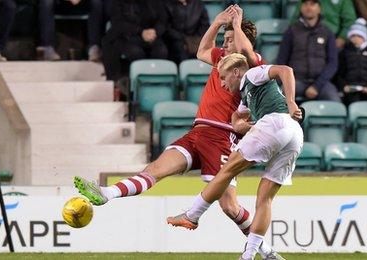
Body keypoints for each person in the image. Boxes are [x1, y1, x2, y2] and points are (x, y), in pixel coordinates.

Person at [75, 6, 283, 259]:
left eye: (230, 40)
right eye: (225, 40)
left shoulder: (254, 66)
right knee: (154, 169)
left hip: (221, 137)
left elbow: (247, 53)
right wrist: (217, 23)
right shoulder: (222, 59)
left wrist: (237, 27)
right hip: (198, 131)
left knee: (230, 207)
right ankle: (106, 193)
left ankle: (267, 253)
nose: (225, 44)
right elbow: (201, 51)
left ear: (245, 41)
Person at [166, 53, 303, 260]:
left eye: (223, 76)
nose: (221, 83)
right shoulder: (246, 96)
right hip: (294, 135)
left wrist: (291, 102)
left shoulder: (253, 75)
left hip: (277, 122)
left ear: (236, 71)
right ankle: (249, 256)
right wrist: (243, 124)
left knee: (226, 171)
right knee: (264, 199)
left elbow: (286, 70)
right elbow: (238, 120)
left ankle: (192, 215)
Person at [277, 0, 340, 102]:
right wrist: (287, 81)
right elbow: (282, 60)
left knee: (335, 102)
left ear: (319, 9)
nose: (309, 7)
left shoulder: (327, 32)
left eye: (313, 4)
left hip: (321, 83)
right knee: (280, 99)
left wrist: (317, 85)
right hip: (296, 80)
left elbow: (333, 63)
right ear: (301, 8)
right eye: (305, 4)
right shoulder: (291, 31)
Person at [101, 0, 168, 83]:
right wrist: (141, 31)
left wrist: (155, 31)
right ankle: (130, 83)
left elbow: (162, 20)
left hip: (150, 35)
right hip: (124, 36)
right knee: (135, 52)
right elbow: (118, 23)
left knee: (161, 51)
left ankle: (156, 83)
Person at [336, 18, 367, 105]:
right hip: (350, 87)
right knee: (353, 101)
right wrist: (344, 86)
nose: (356, 38)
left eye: (359, 36)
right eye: (353, 36)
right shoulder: (344, 53)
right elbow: (339, 74)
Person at [291, 0, 356, 48]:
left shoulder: (343, 2)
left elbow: (350, 20)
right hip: (307, 36)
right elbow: (295, 19)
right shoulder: (305, 2)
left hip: (333, 38)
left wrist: (342, 37)